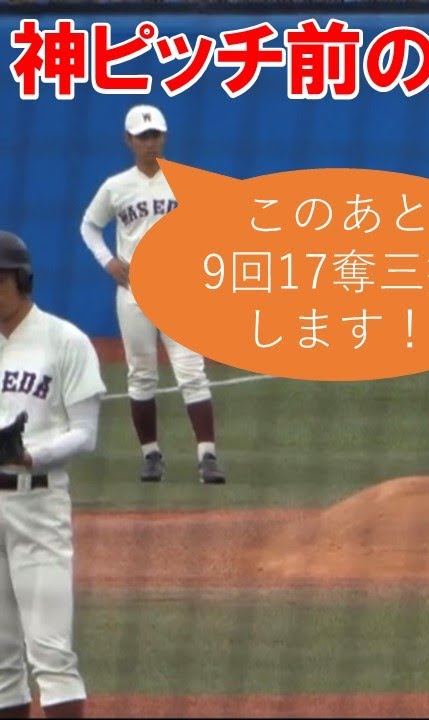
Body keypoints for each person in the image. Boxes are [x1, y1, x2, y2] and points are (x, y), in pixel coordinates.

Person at [79, 104, 225, 484]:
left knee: (192, 373)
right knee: (141, 374)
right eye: (143, 136)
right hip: (134, 293)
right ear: (128, 140)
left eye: (155, 135)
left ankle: (207, 456)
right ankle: (151, 455)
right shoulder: (116, 186)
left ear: (165, 137)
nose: (150, 142)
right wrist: (108, 261)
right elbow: (89, 226)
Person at [0, 230, 106, 719]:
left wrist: (31, 455)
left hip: (37, 506)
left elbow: (85, 434)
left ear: (22, 281)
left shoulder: (65, 341)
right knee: (1, 664)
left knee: (52, 653)